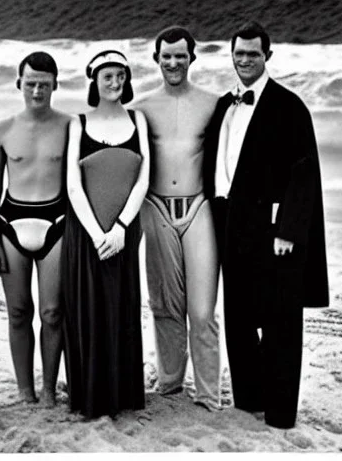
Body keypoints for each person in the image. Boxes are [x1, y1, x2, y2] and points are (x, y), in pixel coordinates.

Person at [203, 21, 329, 429]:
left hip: (272, 228)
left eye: (253, 54)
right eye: (238, 54)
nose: (244, 61)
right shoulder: (225, 104)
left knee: (280, 321)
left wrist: (289, 231)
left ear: (267, 57)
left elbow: (304, 172)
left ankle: (279, 414)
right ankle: (248, 401)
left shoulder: (290, 107)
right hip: (228, 220)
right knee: (238, 315)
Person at [133, 26, 221, 411]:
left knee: (201, 311)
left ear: (192, 59)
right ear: (156, 59)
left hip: (198, 207)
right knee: (165, 305)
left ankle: (208, 392)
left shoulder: (214, 103)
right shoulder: (140, 106)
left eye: (180, 56)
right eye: (166, 56)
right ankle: (169, 382)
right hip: (156, 208)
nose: (173, 63)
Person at [61, 49, 149, 420]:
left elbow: (145, 176)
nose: (115, 83)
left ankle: (123, 393)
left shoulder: (138, 119)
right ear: (94, 81)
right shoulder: (78, 123)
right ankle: (91, 395)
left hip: (125, 232)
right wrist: (98, 233)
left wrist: (121, 228)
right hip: (86, 235)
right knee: (89, 310)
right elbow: (73, 184)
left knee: (121, 308)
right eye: (107, 77)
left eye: (120, 76)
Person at [0, 51, 71, 407]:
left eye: (45, 85)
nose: (37, 91)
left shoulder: (70, 126)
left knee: (52, 312)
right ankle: (25, 389)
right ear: (19, 84)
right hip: (11, 224)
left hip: (57, 224)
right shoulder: (2, 130)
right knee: (19, 311)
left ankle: (49, 389)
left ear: (55, 86)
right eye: (31, 84)